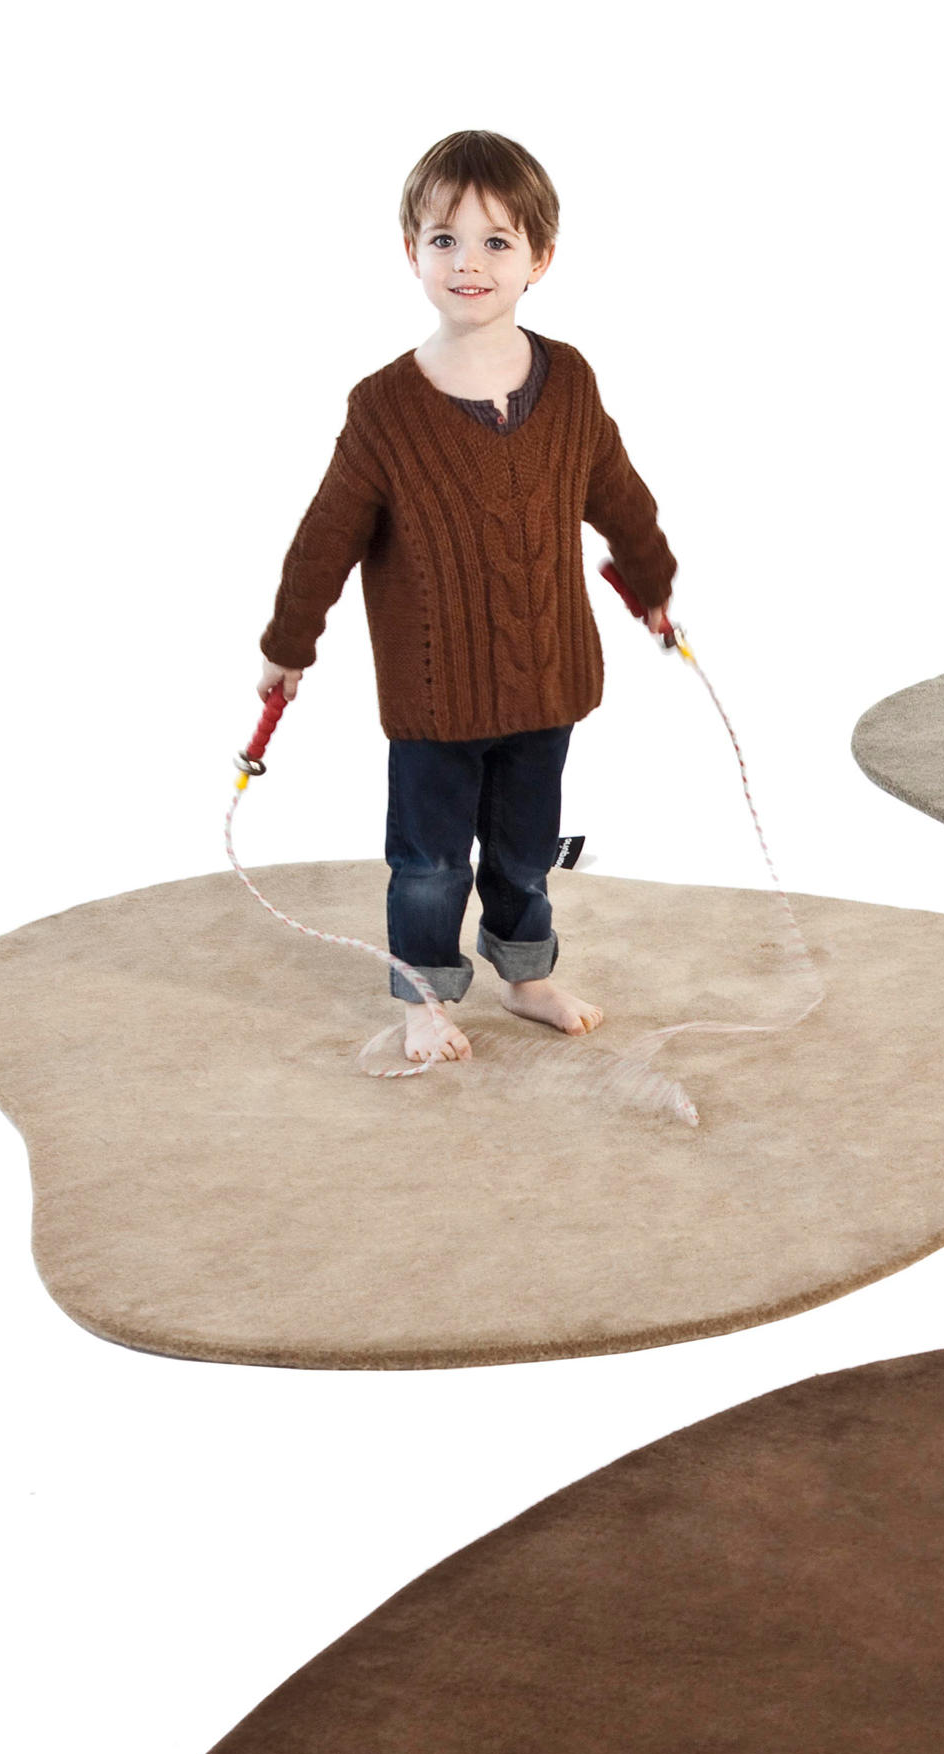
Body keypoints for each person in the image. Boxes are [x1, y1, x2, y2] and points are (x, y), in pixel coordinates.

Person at [257, 130, 678, 1066]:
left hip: (547, 683)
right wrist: (289, 644)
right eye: (444, 240)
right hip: (436, 699)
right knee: (430, 864)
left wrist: (652, 584)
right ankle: (424, 999)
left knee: (524, 853)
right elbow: (324, 539)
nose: (469, 263)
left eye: (496, 241)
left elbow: (620, 495)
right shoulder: (384, 409)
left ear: (541, 257)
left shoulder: (569, 383)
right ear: (411, 252)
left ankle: (525, 977)